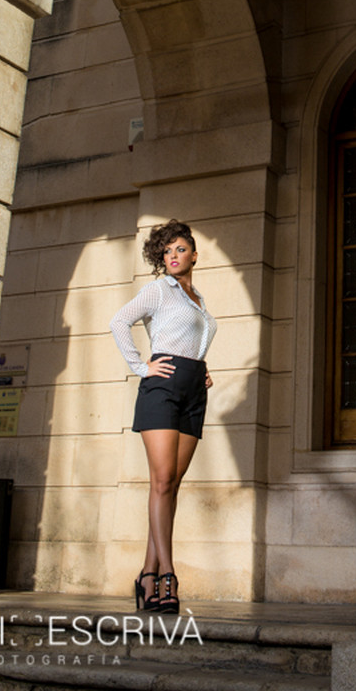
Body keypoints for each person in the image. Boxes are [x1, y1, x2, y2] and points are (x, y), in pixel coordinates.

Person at [110, 219, 216, 614]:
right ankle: (167, 575)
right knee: (161, 481)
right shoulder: (158, 290)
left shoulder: (197, 298)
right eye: (167, 251)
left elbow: (190, 339)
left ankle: (146, 574)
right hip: (163, 390)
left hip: (193, 391)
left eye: (180, 249)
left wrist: (200, 367)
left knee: (171, 485)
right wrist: (141, 367)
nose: (173, 256)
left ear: (194, 256)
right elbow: (119, 321)